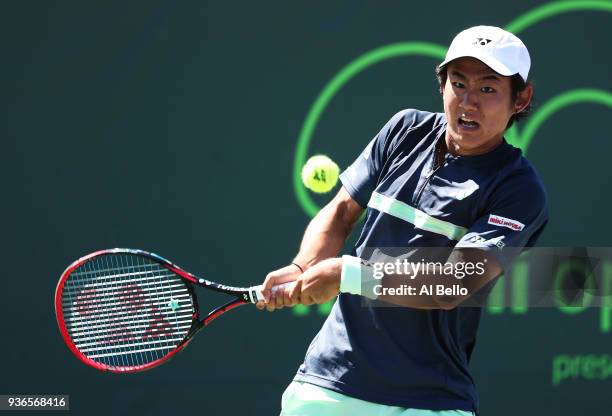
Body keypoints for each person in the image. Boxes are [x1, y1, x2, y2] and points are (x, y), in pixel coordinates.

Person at [257, 25, 549, 416]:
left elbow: (454, 282)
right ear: (442, 84)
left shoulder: (518, 188)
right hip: (327, 383)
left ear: (521, 98)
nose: (468, 102)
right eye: (458, 83)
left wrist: (348, 272)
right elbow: (342, 212)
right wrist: (303, 265)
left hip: (429, 400)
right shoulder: (404, 131)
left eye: (488, 89)